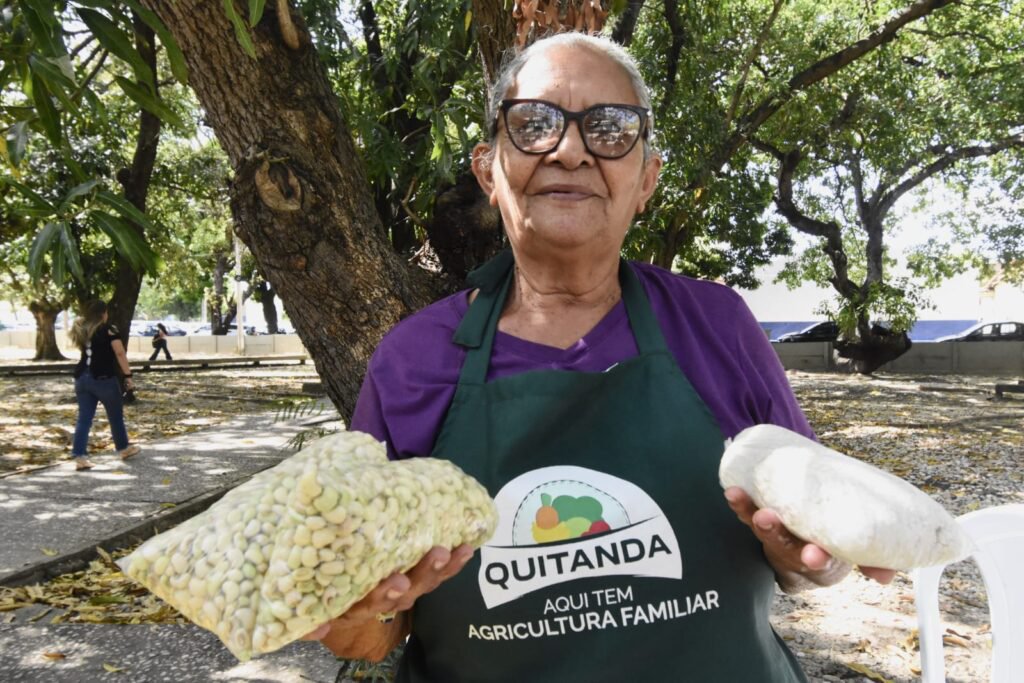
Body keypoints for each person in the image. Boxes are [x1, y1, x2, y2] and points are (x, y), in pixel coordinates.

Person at [304, 33, 895, 681]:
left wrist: (814, 560)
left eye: (610, 128)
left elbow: (807, 562)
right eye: (535, 124)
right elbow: (370, 632)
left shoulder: (716, 326)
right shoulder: (412, 361)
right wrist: (355, 613)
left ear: (647, 179)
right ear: (488, 171)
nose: (570, 150)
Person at [68, 300, 141, 470]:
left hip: (82, 378)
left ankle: (79, 456)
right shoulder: (109, 329)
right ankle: (123, 448)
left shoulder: (82, 329)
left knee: (84, 419)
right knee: (115, 416)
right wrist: (128, 376)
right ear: (104, 313)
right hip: (104, 379)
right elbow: (120, 353)